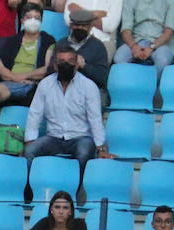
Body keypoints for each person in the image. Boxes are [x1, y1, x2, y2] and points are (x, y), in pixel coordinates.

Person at [24, 42, 111, 177]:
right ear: (54, 65)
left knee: (83, 153)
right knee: (30, 152)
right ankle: (30, 194)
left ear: (76, 64)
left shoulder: (89, 86)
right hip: (54, 137)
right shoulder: (45, 84)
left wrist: (101, 147)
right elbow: (35, 114)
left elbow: (95, 119)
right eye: (61, 61)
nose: (66, 65)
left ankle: (75, 191)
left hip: (81, 137)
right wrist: (30, 140)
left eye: (70, 61)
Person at [0, 4, 54, 103]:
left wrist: (24, 76)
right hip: (10, 82)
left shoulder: (48, 40)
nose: (33, 21)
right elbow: (0, 69)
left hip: (32, 84)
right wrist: (15, 77)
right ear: (22, 21)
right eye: (29, 17)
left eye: (37, 18)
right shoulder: (12, 40)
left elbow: (47, 69)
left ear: (41, 21)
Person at [113, 0, 174, 79]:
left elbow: (169, 32)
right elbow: (126, 29)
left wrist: (151, 47)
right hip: (136, 40)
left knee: (163, 61)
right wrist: (133, 46)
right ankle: (129, 86)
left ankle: (150, 87)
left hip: (161, 43)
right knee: (119, 58)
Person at [16, 188, 93, 230]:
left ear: (70, 211)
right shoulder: (44, 223)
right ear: (51, 210)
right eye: (57, 207)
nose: (61, 211)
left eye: (65, 208)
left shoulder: (79, 224)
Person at [62, 8, 109, 89]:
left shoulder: (98, 46)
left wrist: (84, 65)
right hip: (65, 89)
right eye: (77, 25)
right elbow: (50, 72)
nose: (80, 28)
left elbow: (103, 77)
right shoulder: (61, 44)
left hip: (89, 90)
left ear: (90, 26)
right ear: (71, 25)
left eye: (84, 25)